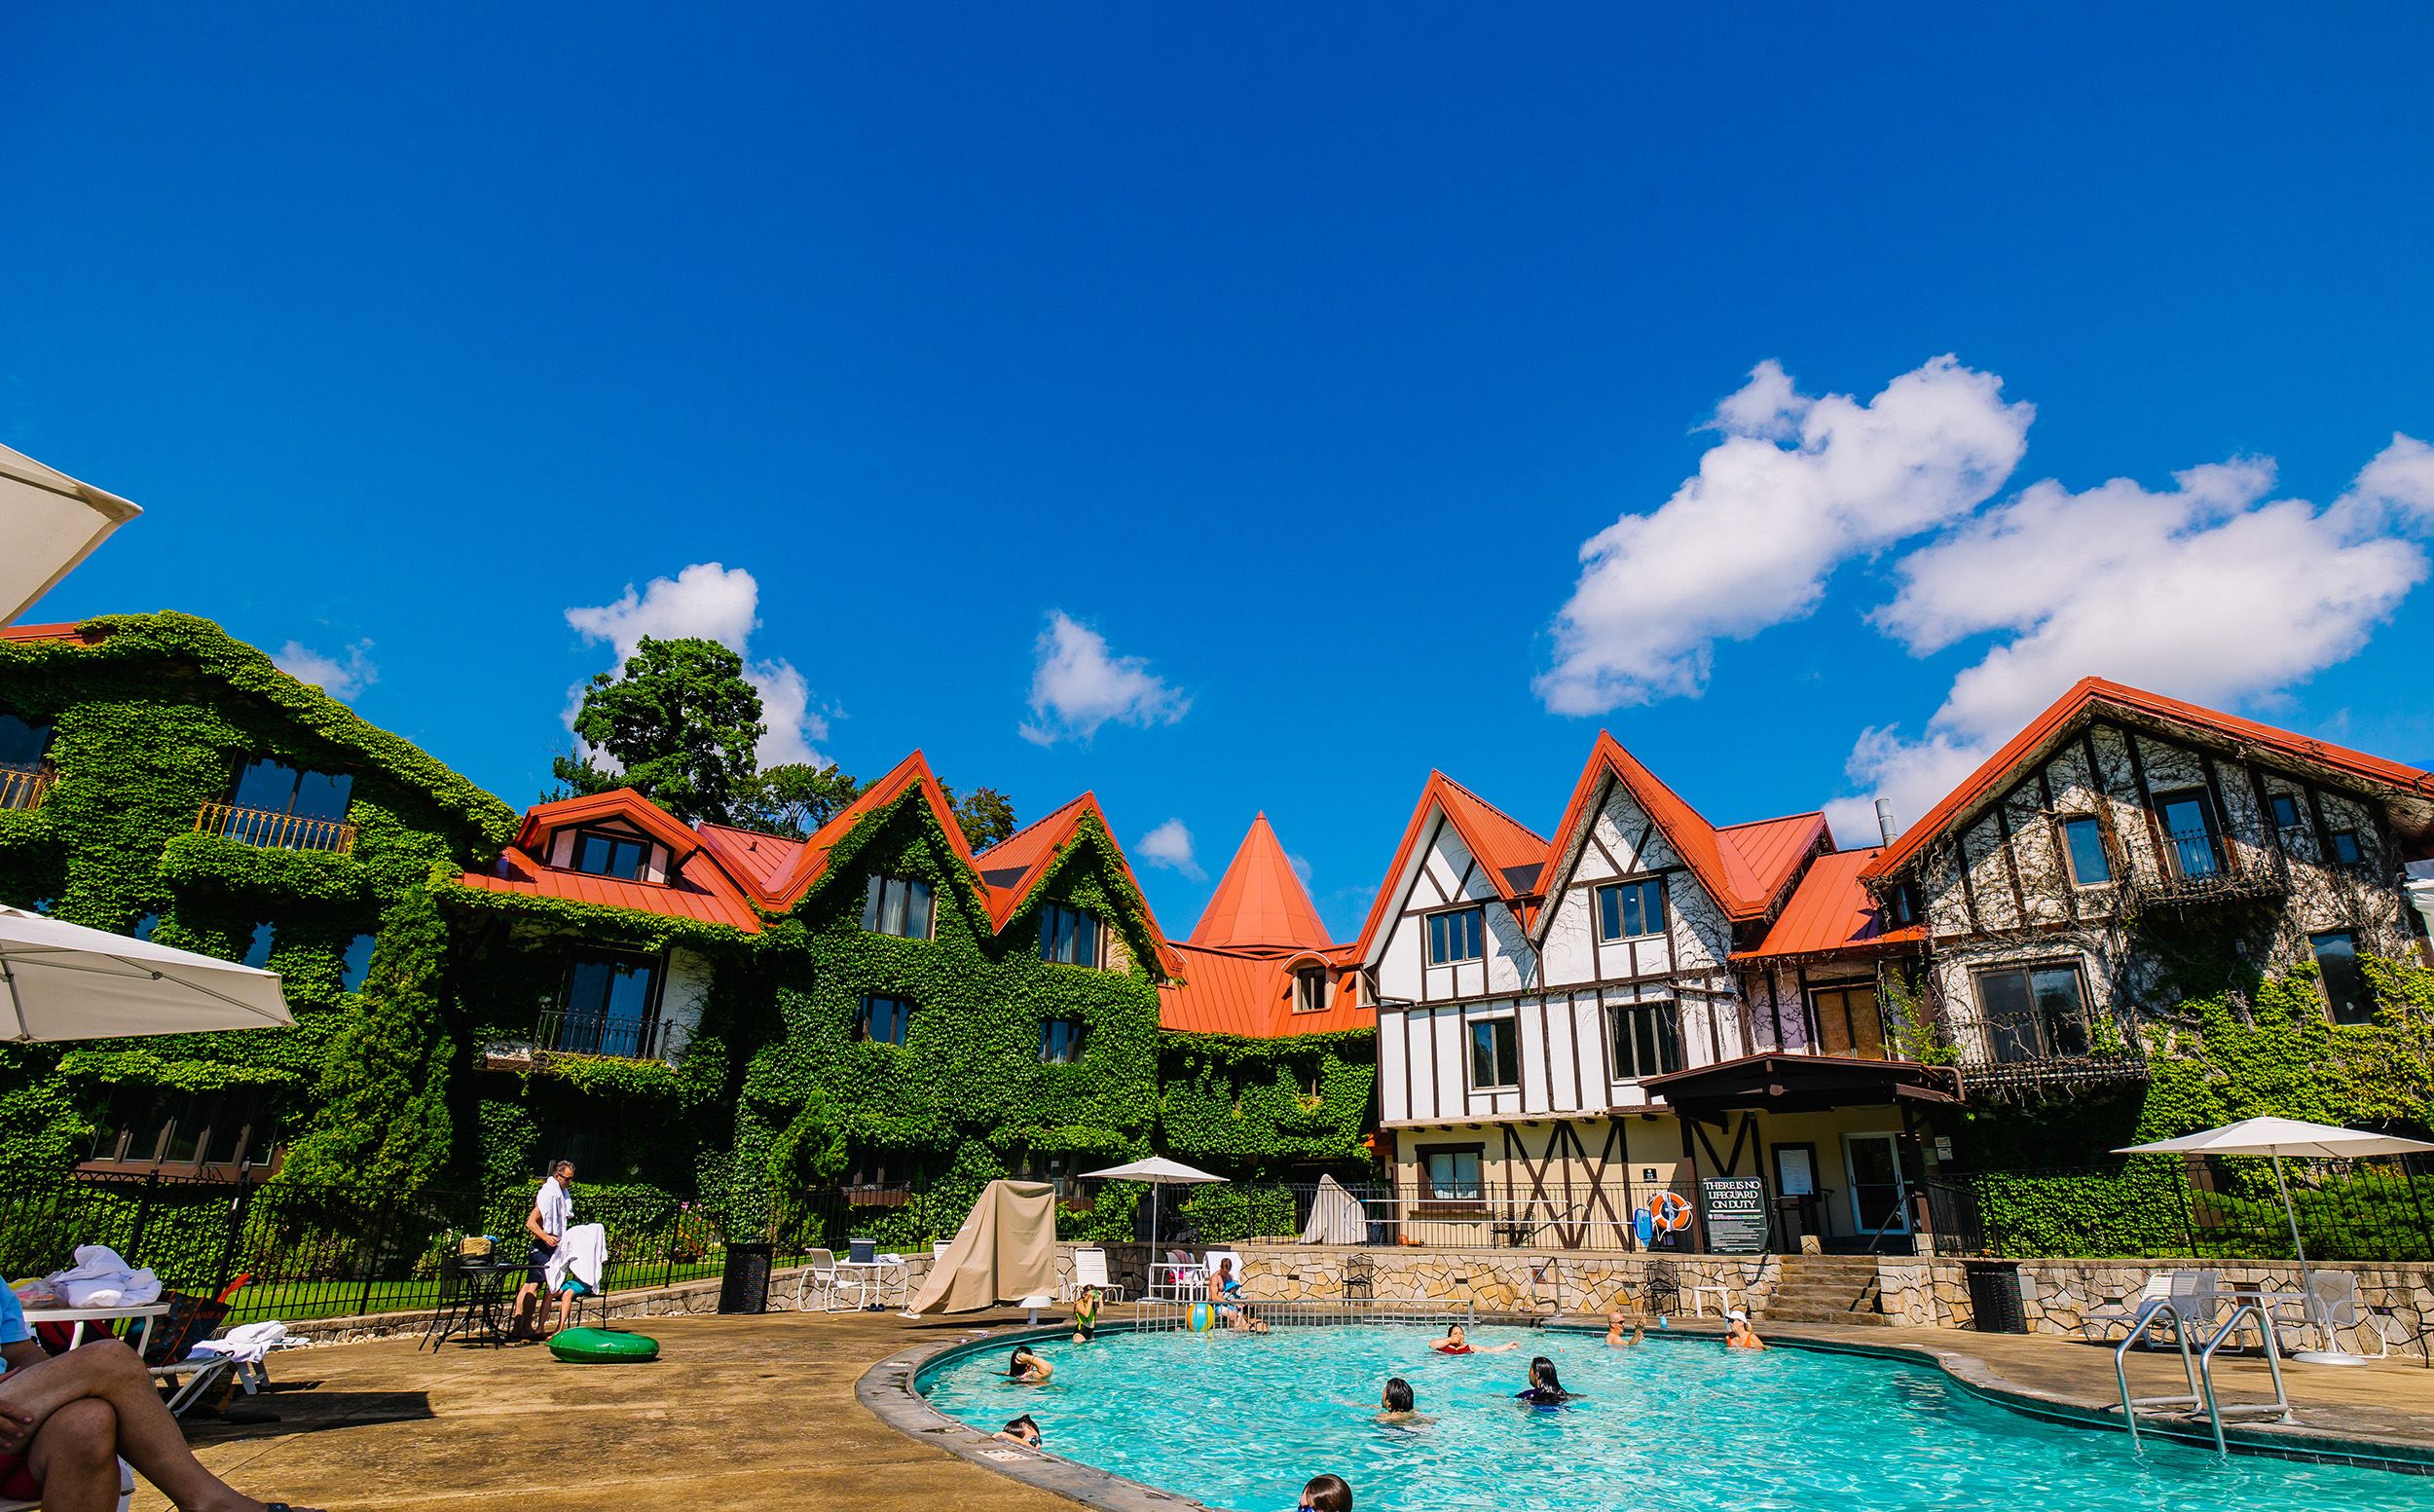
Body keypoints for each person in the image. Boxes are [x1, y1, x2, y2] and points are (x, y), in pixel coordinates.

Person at [0, 1280, 321, 1512]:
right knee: (111, 1358)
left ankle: (207, 1501)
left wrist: (48, 1388)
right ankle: (206, 1501)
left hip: (12, 1429)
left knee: (87, 1421)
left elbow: (22, 1353)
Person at [511, 1159, 576, 1340]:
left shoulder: (559, 1195)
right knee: (534, 1285)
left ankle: (518, 1327)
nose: (569, 1183)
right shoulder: (548, 1196)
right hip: (541, 1246)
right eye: (567, 1179)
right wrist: (546, 1237)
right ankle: (525, 1327)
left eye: (571, 1179)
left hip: (547, 1246)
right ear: (557, 1176)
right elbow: (531, 1223)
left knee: (527, 1285)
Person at [1426, 1322, 1519, 1355]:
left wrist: (1508, 1346)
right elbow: (1431, 1344)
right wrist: (1450, 1340)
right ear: (1449, 1336)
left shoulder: (1470, 1347)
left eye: (1461, 1334)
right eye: (1455, 1334)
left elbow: (1491, 1350)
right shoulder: (1443, 1345)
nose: (1459, 1336)